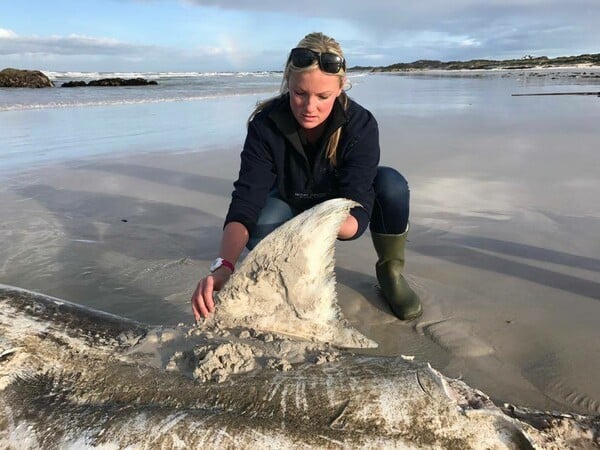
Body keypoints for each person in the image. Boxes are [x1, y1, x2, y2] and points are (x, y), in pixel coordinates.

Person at [191, 32, 421, 321]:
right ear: (288, 82)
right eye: (299, 94)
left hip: (338, 211)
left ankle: (390, 272)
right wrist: (223, 266)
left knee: (391, 184)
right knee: (259, 223)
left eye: (323, 96)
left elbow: (355, 220)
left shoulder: (360, 124)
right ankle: (293, 281)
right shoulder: (265, 124)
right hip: (290, 201)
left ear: (341, 88)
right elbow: (246, 199)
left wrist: (316, 225)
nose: (309, 108)